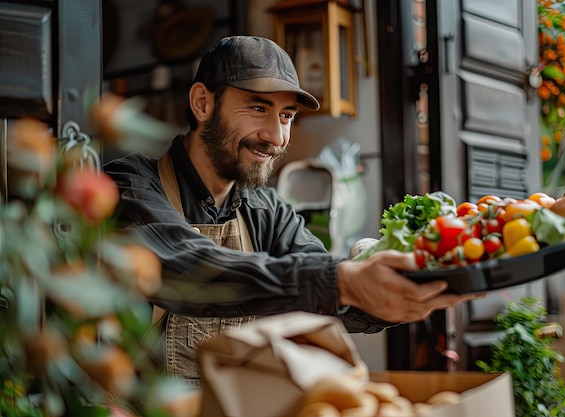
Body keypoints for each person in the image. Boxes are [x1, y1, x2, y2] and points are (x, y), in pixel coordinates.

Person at [103, 35, 478, 386]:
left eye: (286, 116)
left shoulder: (266, 209)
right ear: (203, 103)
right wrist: (345, 282)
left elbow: (323, 293)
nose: (277, 137)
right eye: (257, 108)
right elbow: (186, 267)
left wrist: (388, 300)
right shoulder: (128, 186)